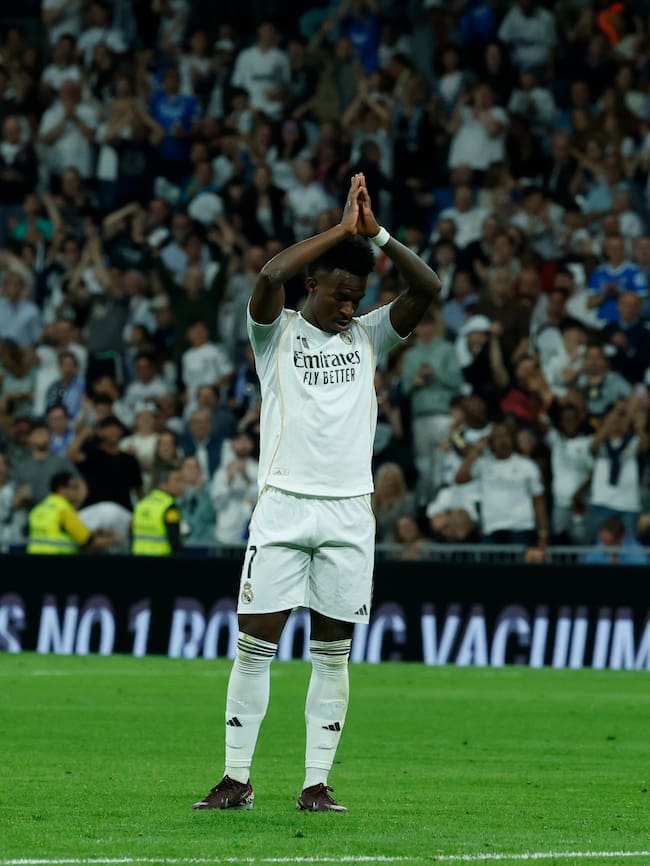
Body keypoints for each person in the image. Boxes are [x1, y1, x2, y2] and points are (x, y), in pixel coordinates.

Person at [191, 172, 440, 813]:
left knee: (332, 654)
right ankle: (236, 778)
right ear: (315, 284)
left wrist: (376, 233)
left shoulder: (370, 336)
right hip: (282, 505)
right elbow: (270, 276)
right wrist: (340, 229)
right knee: (254, 648)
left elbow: (429, 287)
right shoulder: (274, 336)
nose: (350, 308)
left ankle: (315, 785)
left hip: (350, 513)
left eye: (358, 297)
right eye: (340, 295)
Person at [26, 471, 119, 554]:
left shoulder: (38, 509)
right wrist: (113, 540)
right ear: (61, 489)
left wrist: (96, 532)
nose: (77, 491)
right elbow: (87, 541)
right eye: (74, 487)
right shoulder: (64, 511)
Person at [130, 463, 185, 556]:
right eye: (177, 480)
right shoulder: (170, 507)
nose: (182, 485)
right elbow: (174, 539)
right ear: (163, 484)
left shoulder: (141, 504)